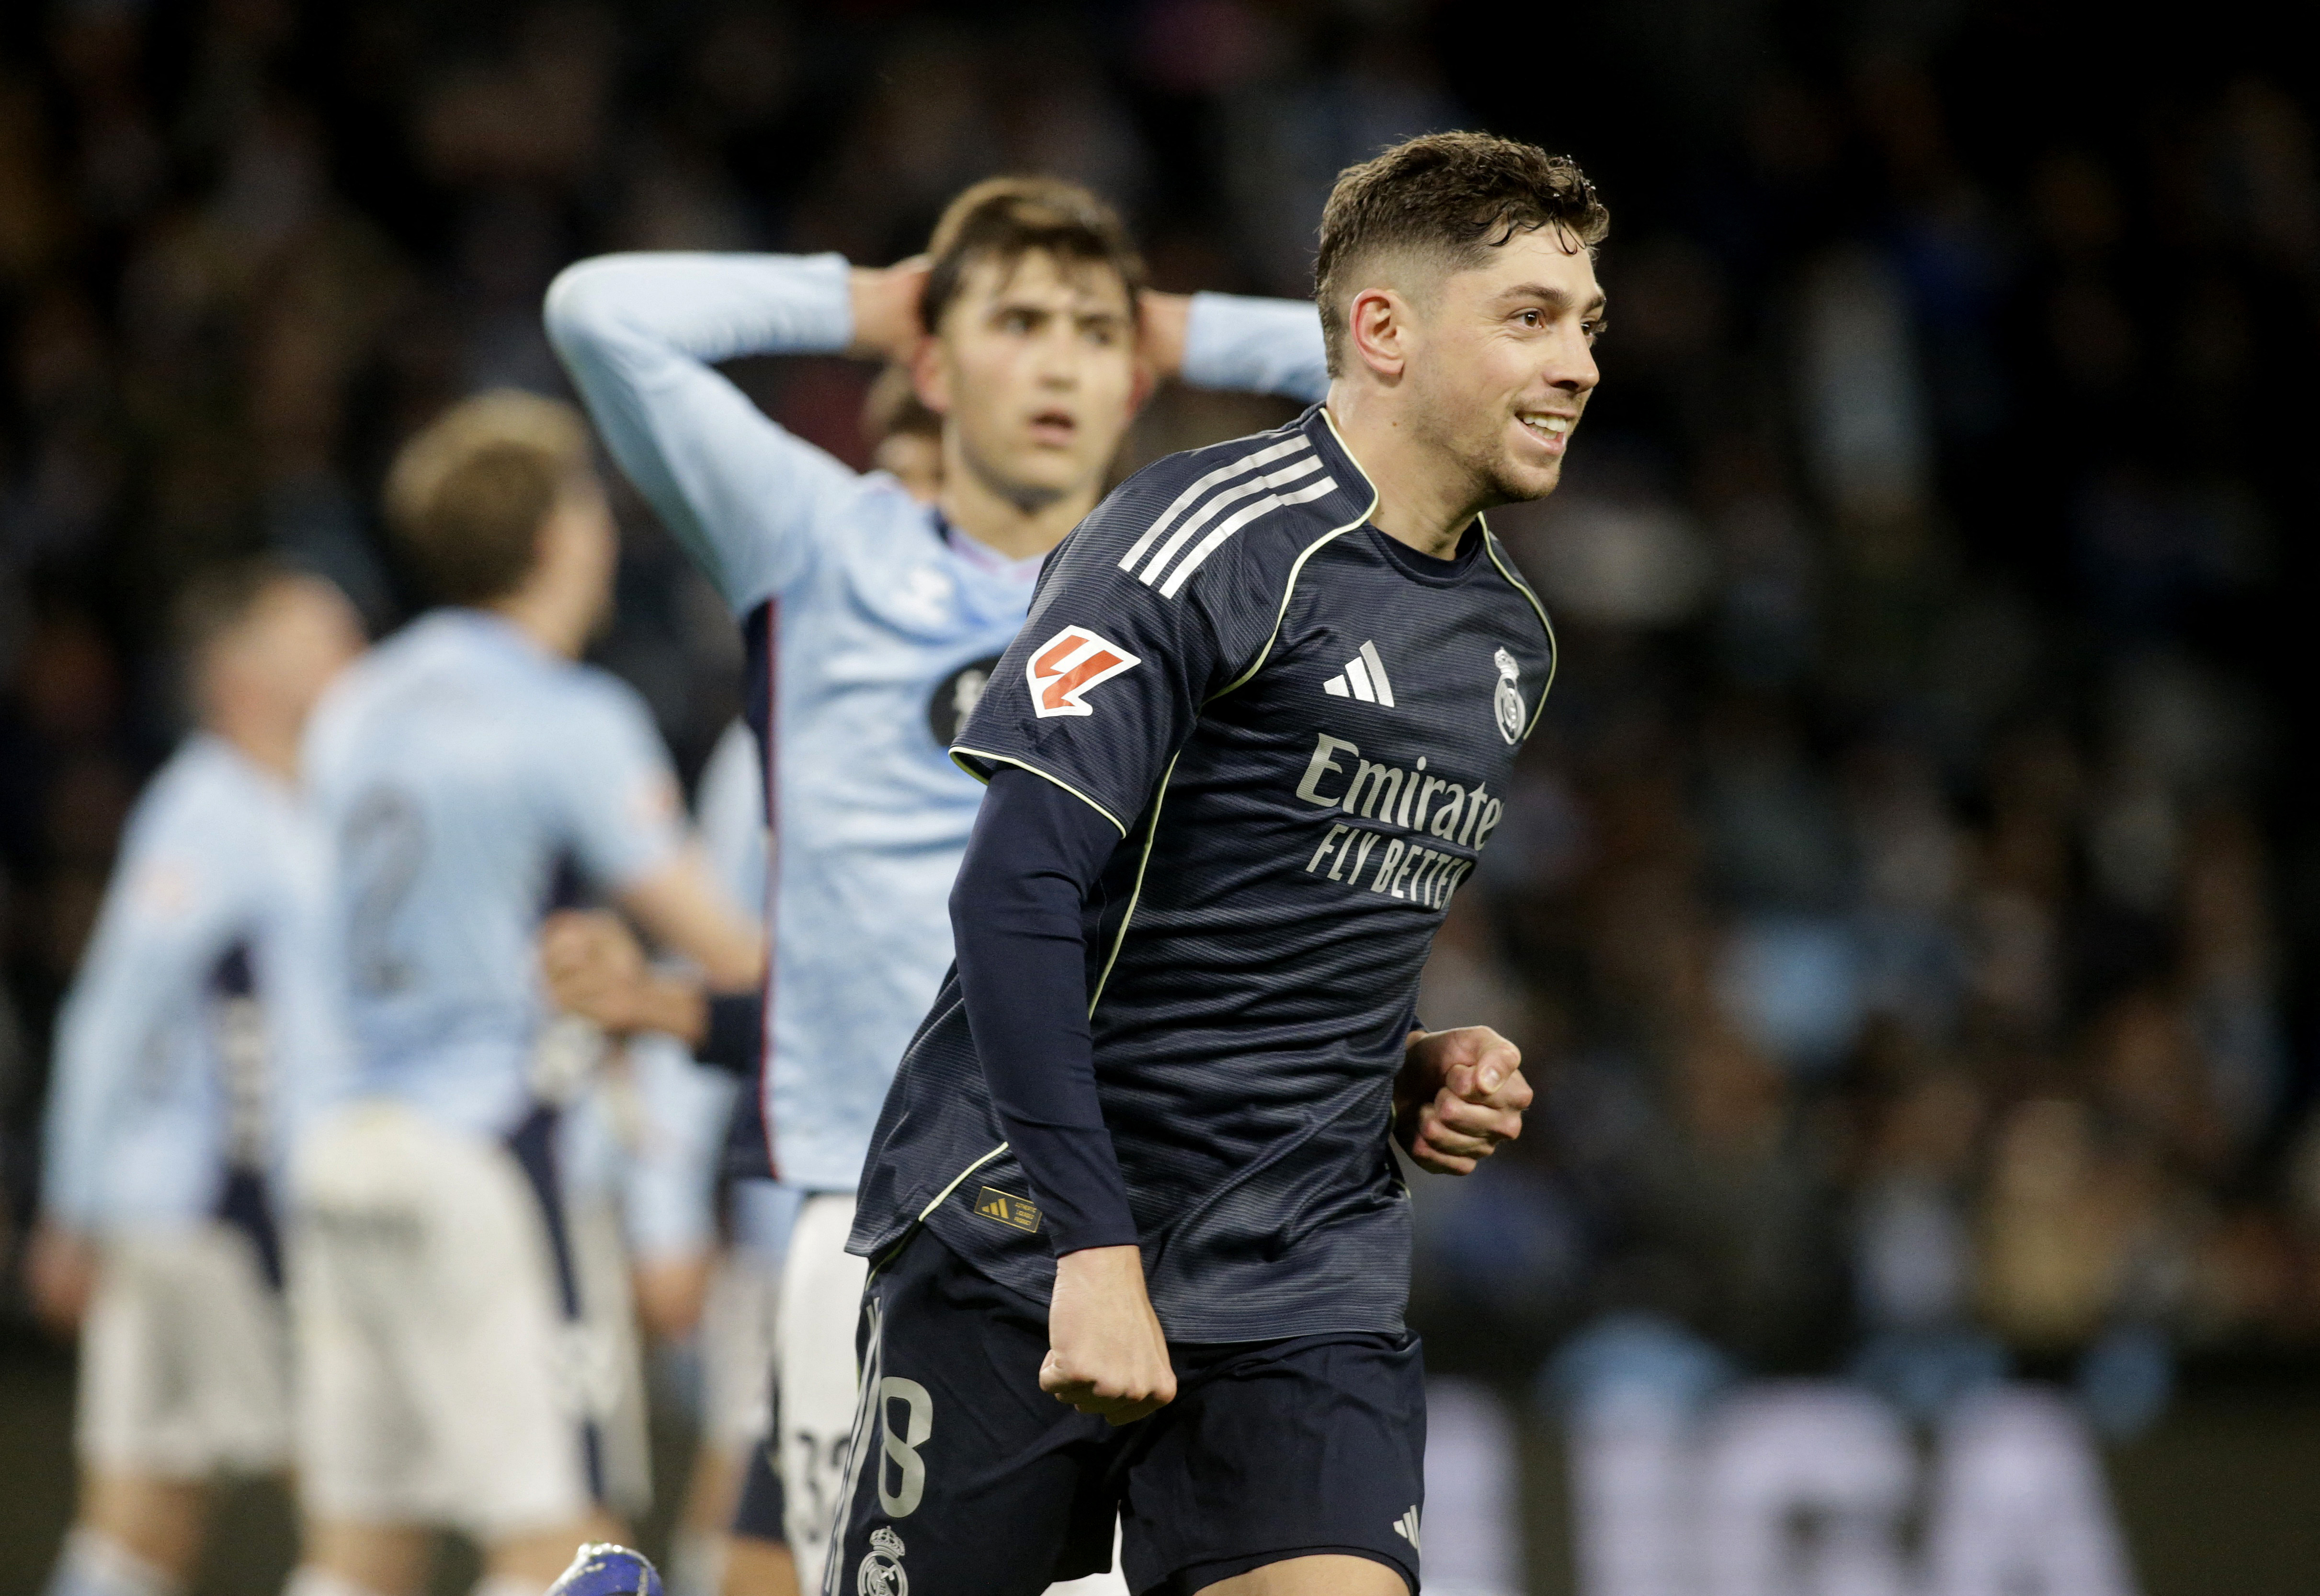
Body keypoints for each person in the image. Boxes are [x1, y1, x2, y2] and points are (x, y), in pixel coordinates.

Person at [832, 130, 1607, 1596]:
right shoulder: (1199, 541)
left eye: (1583, 325)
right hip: (1022, 1236)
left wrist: (1403, 1060)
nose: (1575, 363)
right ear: (1379, 329)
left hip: (1298, 1270)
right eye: (1527, 318)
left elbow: (1264, 918)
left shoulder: (1512, 638)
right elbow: (1013, 895)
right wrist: (1093, 1248)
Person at [539, 176, 1330, 1596]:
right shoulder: (819, 546)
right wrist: (866, 296)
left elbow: (1415, 377)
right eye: (1013, 321)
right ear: (930, 362)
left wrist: (1179, 324)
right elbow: (599, 313)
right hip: (883, 1217)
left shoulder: (1208, 586)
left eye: (1090, 332)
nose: (1054, 359)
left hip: (1145, 1225)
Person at [284, 391, 766, 1596]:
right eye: (590, 507)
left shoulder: (357, 701)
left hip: (340, 1142)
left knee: (360, 1546)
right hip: (494, 1149)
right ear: (556, 535)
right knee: (569, 1538)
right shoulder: (569, 715)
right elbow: (728, 949)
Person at [30, 563, 365, 1596]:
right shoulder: (206, 813)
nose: (353, 662)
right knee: (354, 1504)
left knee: (144, 1519)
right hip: (217, 1216)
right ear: (241, 674)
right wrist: (71, 1207)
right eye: (324, 641)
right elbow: (110, 1019)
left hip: (200, 1218)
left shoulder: (301, 803)